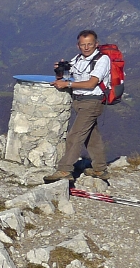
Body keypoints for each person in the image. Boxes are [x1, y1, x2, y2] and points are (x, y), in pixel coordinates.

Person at [44, 30, 113, 182]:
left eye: (90, 44)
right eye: (83, 45)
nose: (86, 47)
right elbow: (66, 78)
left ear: (96, 44)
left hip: (92, 101)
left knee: (75, 136)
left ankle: (64, 170)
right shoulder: (77, 59)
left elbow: (91, 83)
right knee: (90, 136)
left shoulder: (103, 59)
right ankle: (100, 169)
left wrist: (67, 83)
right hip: (80, 102)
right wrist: (59, 72)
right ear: (78, 46)